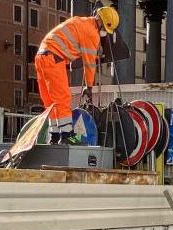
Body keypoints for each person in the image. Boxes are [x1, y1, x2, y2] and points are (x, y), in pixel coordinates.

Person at [35, 7, 119, 144]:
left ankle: (54, 135)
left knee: (50, 100)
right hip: (54, 58)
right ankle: (67, 135)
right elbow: (90, 64)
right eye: (105, 28)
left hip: (41, 56)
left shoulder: (81, 21)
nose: (104, 32)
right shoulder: (92, 34)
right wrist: (89, 87)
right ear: (101, 22)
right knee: (62, 98)